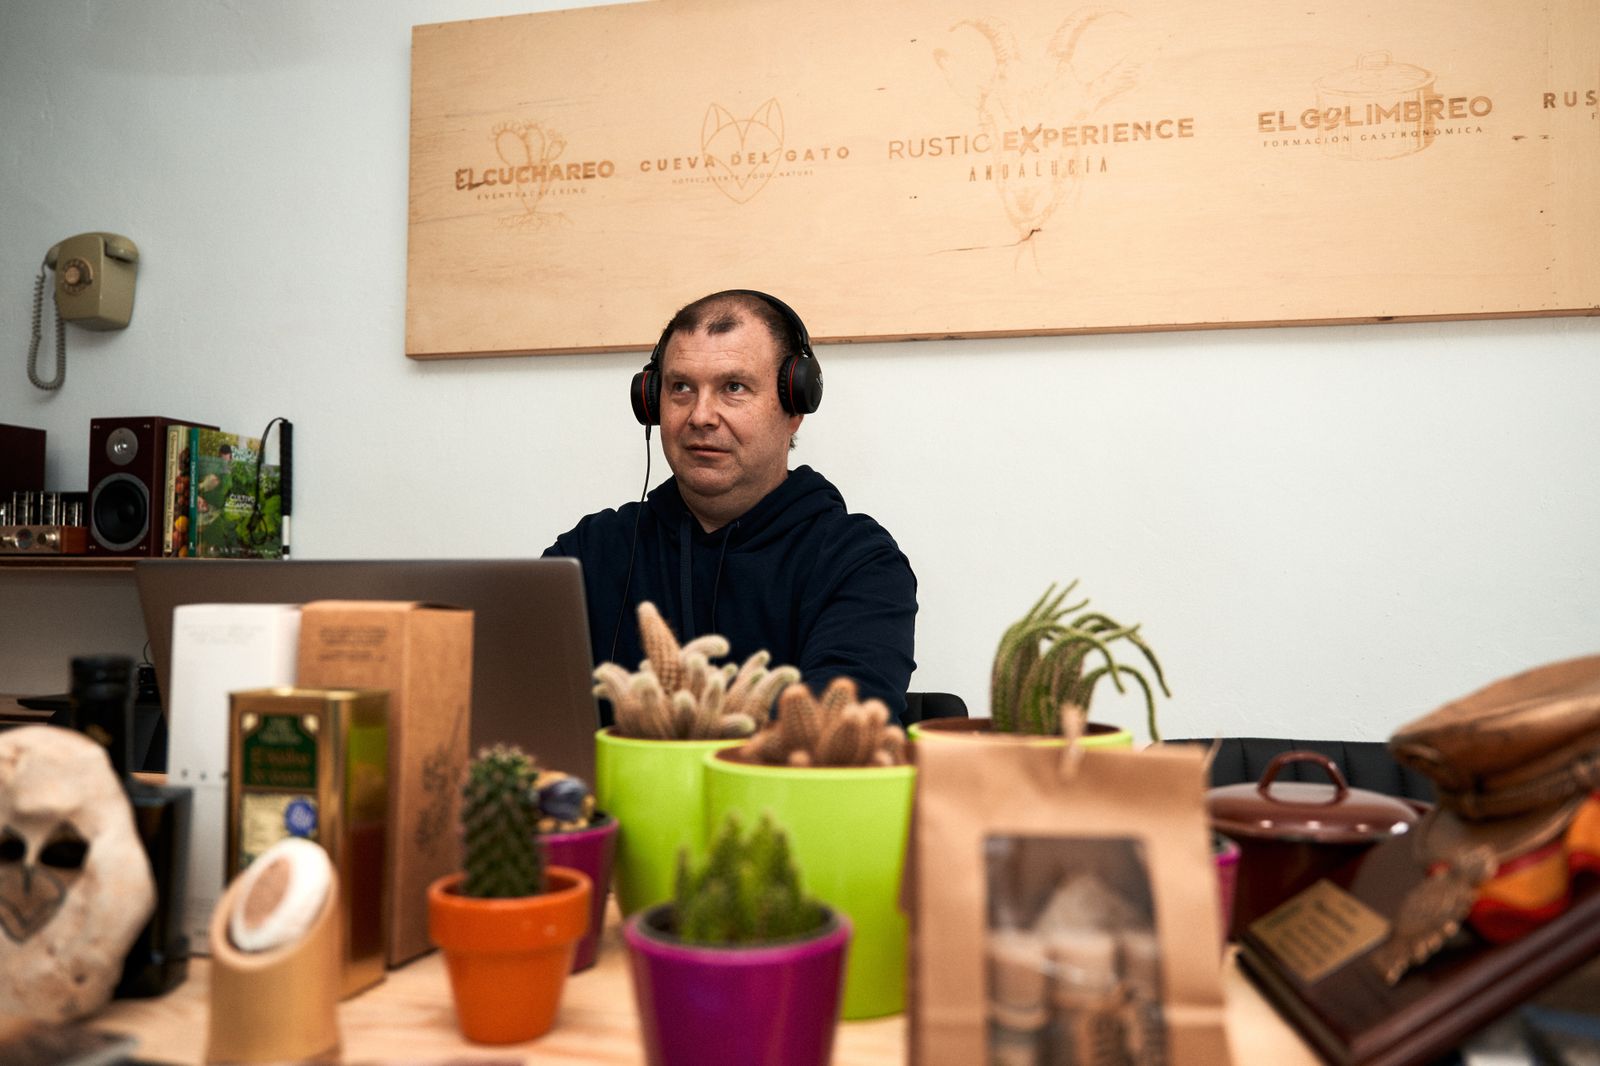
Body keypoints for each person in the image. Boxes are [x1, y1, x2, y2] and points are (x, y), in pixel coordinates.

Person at [544, 289, 918, 724]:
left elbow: (830, 732)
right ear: (651, 401)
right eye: (681, 387)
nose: (701, 415)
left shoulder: (859, 562)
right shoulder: (589, 551)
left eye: (733, 387)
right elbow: (511, 699)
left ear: (794, 406)